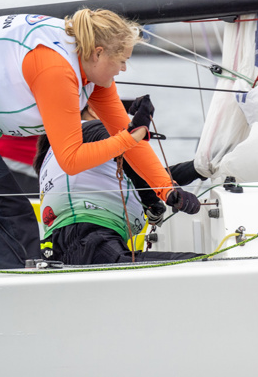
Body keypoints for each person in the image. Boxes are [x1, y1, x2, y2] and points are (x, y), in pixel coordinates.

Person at [0, 10, 200, 270]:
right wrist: (129, 139)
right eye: (122, 60)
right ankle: (23, 300)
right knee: (6, 211)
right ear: (98, 53)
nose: (123, 69)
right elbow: (72, 159)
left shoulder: (91, 73)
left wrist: (167, 190)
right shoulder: (56, 68)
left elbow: (130, 138)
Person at [37, 112, 201, 266]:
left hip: (67, 243)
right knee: (199, 265)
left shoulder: (65, 149)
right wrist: (153, 201)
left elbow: (149, 177)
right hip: (88, 237)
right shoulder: (87, 128)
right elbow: (142, 172)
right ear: (92, 110)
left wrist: (197, 169)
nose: (122, 116)